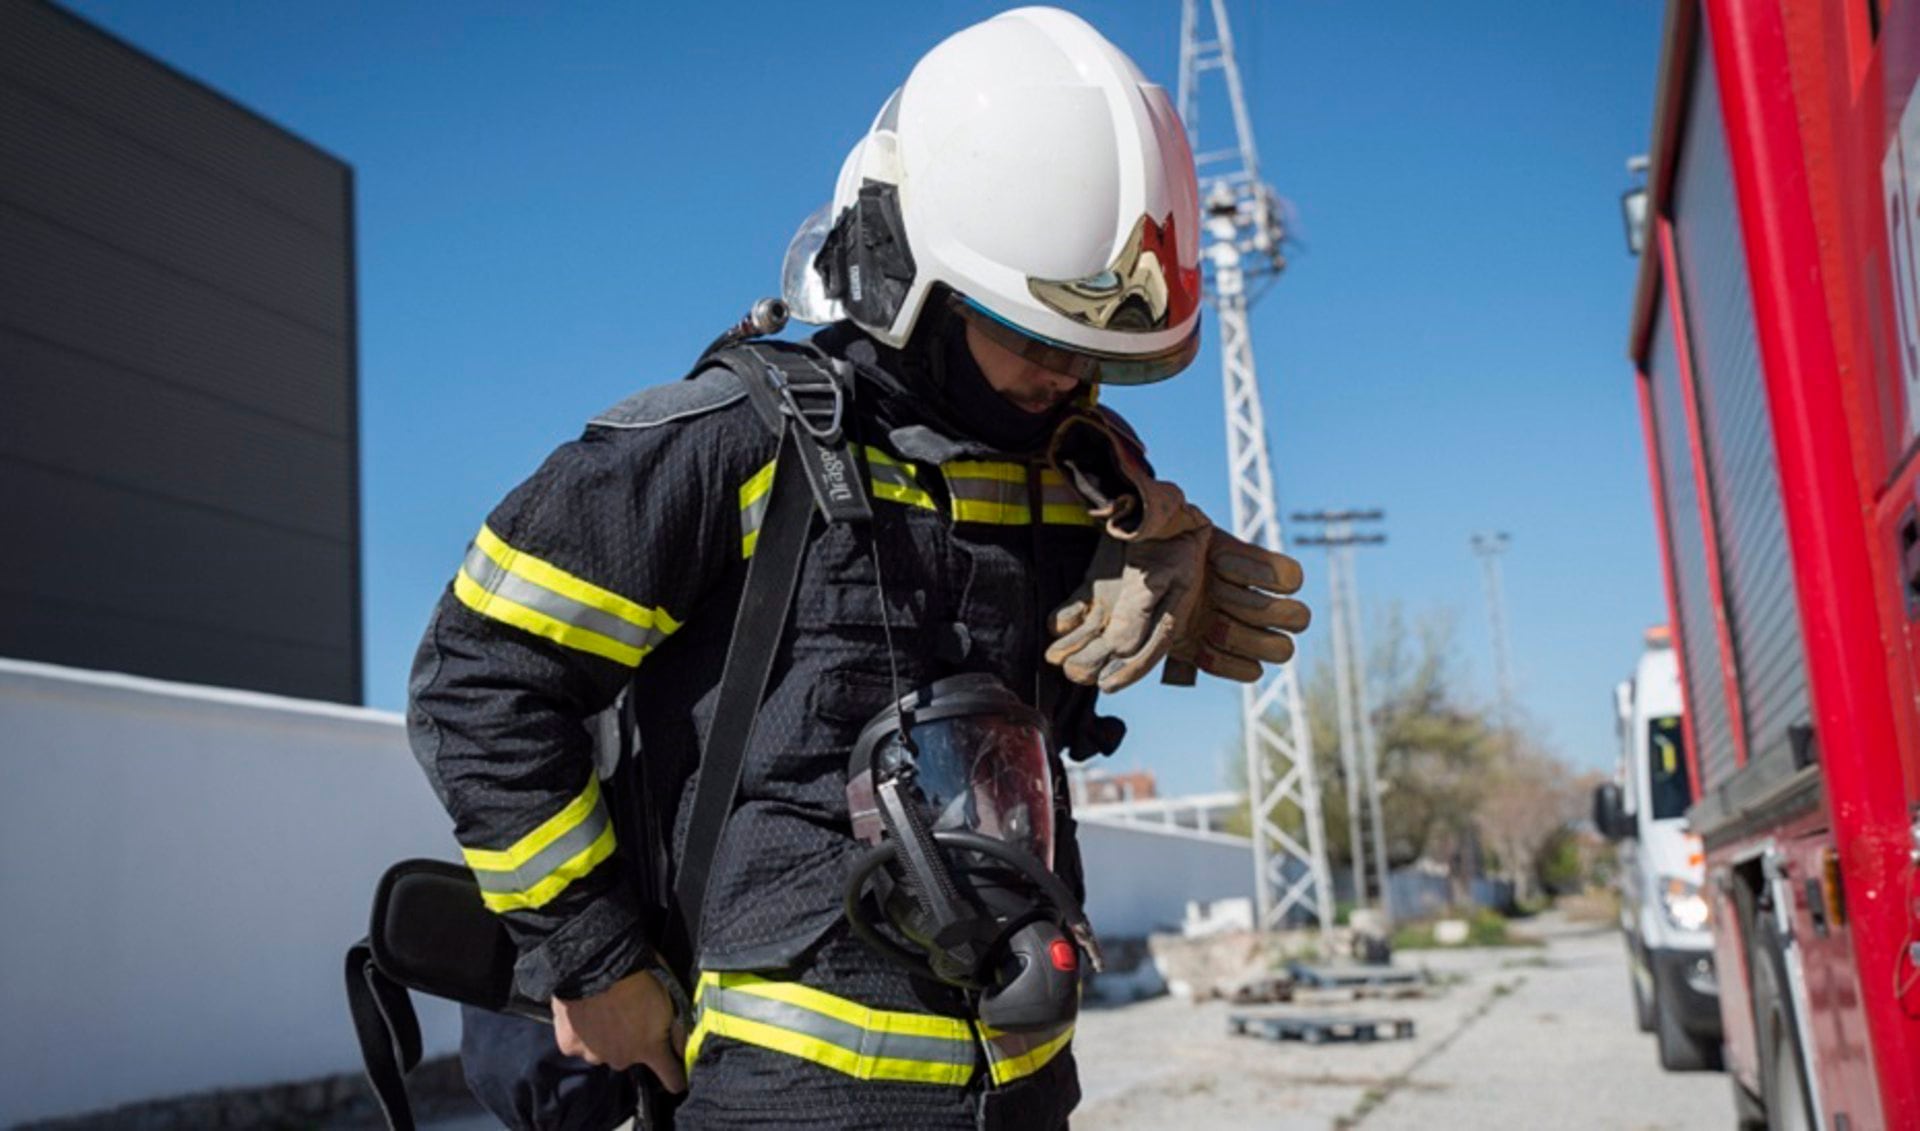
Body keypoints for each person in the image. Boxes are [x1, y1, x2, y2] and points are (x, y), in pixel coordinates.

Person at [406, 8, 1308, 1129]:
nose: (1066, 379)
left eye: (1094, 359)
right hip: (775, 1101)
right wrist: (591, 962)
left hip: (1020, 1090)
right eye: (1037, 339)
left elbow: (984, 755)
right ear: (907, 276)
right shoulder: (726, 446)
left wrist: (1128, 546)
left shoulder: (1077, 473)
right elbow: (481, 681)